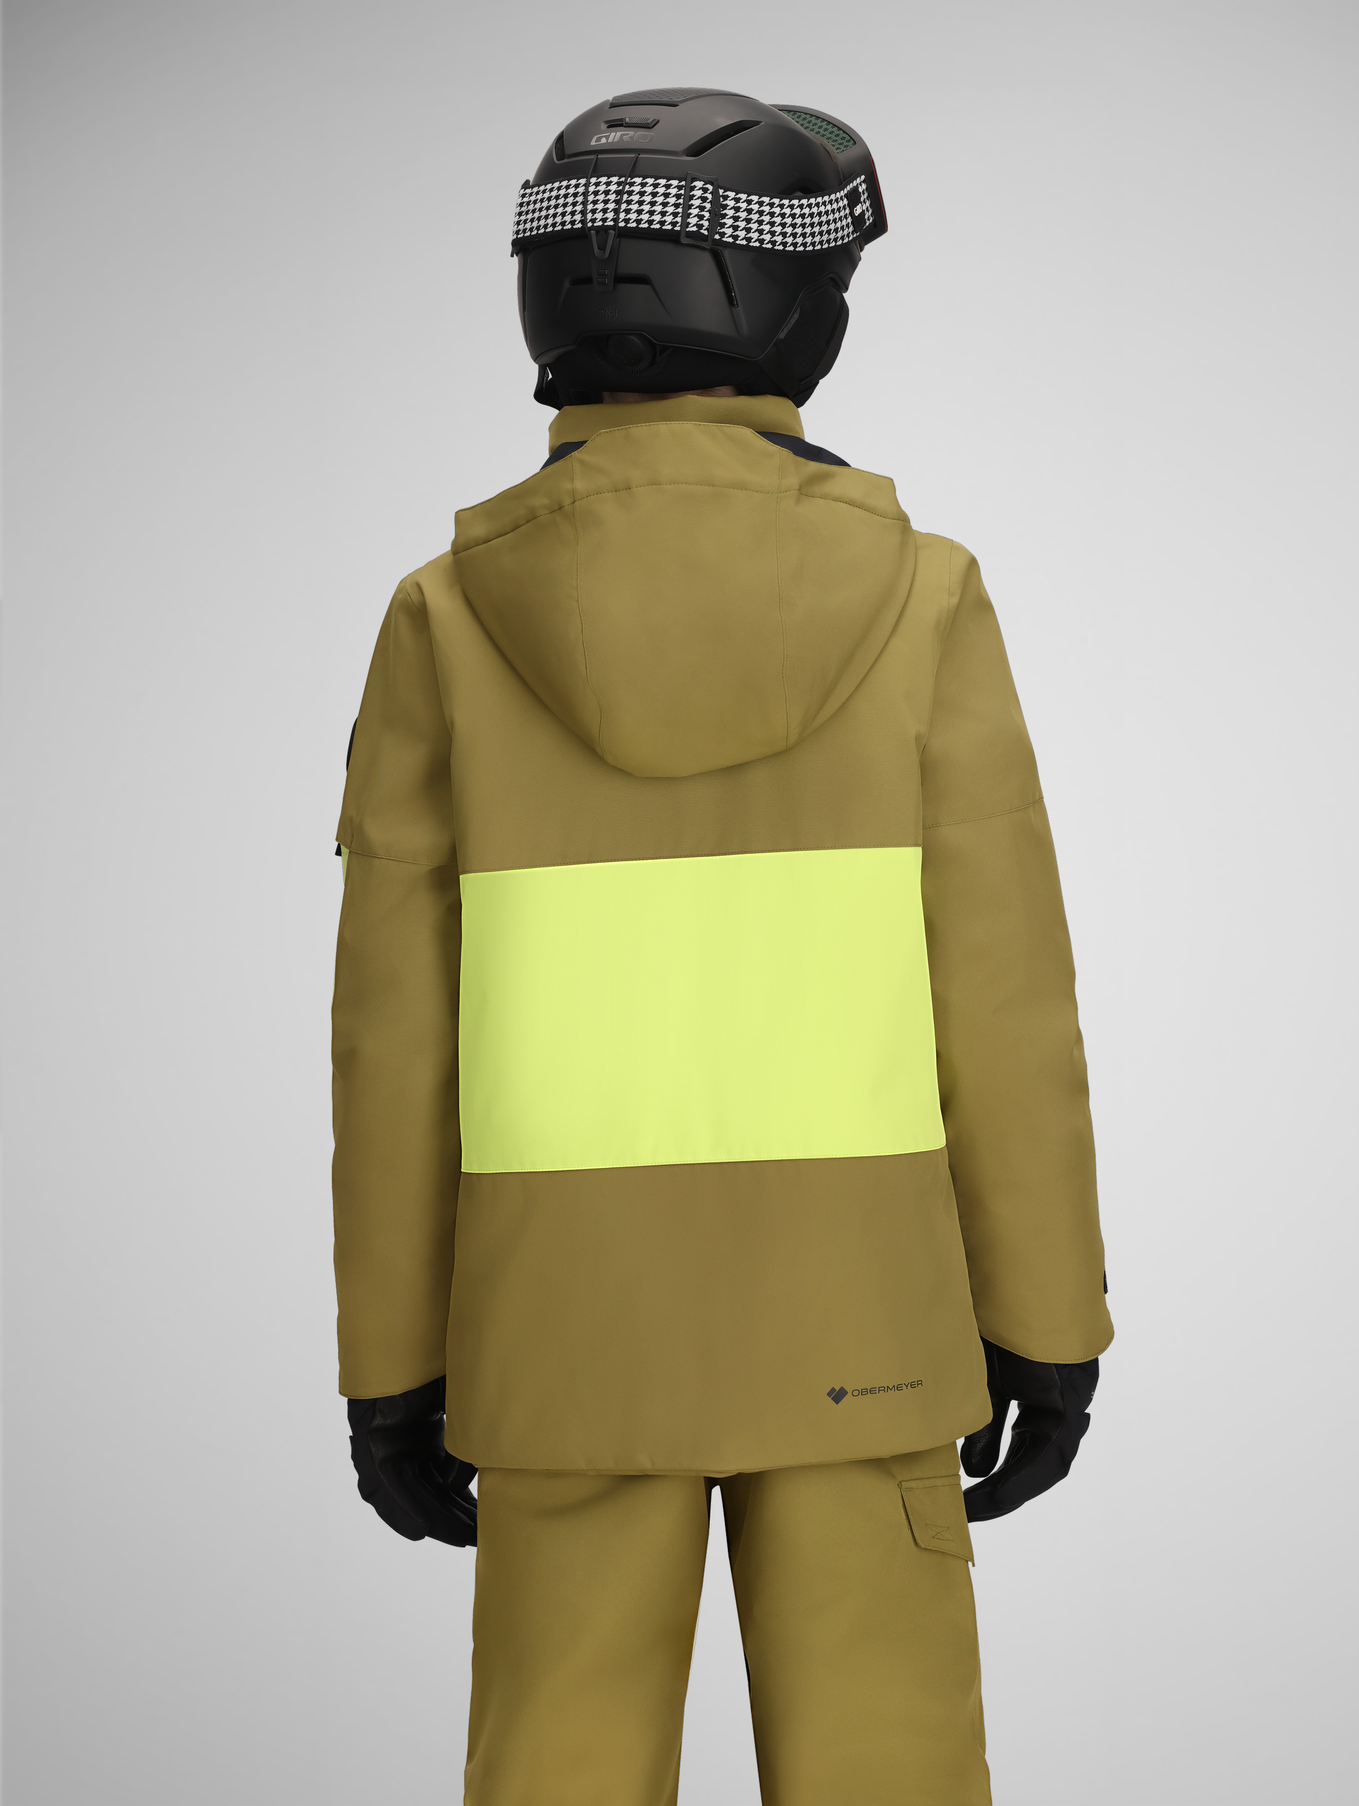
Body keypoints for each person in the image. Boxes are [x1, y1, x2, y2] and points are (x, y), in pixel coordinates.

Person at [332, 89, 1112, 1806]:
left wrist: (390, 1372)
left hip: (562, 1339)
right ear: (795, 311)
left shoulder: (441, 621)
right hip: (866, 1328)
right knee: (888, 1773)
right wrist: (1051, 1326)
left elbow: (392, 1043)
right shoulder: (926, 598)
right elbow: (1004, 1002)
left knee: (556, 1770)